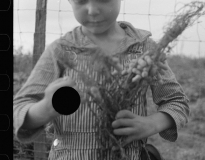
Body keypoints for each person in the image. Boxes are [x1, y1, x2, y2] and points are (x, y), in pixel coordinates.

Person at [13, 0, 190, 159]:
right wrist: (45, 109)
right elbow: (18, 108)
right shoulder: (61, 50)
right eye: (81, 0)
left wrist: (152, 123)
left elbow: (176, 102)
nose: (92, 10)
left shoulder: (146, 48)